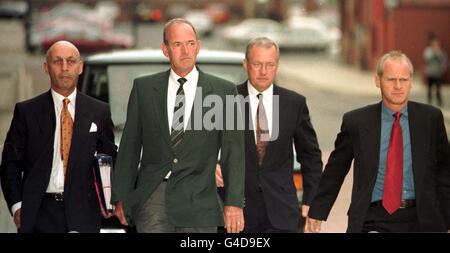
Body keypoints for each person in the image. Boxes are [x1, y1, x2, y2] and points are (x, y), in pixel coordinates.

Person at [111, 18, 245, 233]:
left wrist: (234, 203)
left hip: (200, 199)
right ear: (165, 49)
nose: (185, 51)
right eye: (177, 44)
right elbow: (130, 147)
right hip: (153, 198)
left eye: (191, 43)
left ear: (198, 46)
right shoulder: (144, 88)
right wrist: (120, 196)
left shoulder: (224, 91)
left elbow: (234, 153)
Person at [306, 51, 450, 233]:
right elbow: (335, 170)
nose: (398, 86)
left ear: (411, 81)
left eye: (403, 79)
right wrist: (317, 210)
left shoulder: (430, 119)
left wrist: (447, 219)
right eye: (391, 79)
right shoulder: (356, 122)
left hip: (423, 219)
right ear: (378, 80)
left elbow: (445, 172)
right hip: (373, 218)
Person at [0, 41, 117, 233]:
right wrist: (17, 206)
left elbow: (111, 161)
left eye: (71, 61)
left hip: (84, 213)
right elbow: (9, 164)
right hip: (38, 213)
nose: (64, 68)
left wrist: (112, 199)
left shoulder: (99, 111)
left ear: (80, 68)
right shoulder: (27, 112)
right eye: (57, 61)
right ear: (46, 68)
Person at [217, 37, 323, 232]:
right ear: (245, 64)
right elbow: (204, 147)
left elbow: (311, 156)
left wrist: (311, 200)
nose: (264, 72)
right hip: (235, 213)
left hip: (281, 213)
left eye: (270, 65)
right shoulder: (226, 101)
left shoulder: (294, 103)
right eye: (257, 64)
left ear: (277, 65)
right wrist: (213, 165)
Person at [423, 34, 447, 107]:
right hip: (430, 73)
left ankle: (439, 101)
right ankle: (429, 101)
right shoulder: (428, 51)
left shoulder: (440, 51)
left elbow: (443, 60)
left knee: (438, 89)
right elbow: (426, 59)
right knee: (429, 88)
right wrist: (433, 53)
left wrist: (437, 53)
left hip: (438, 73)